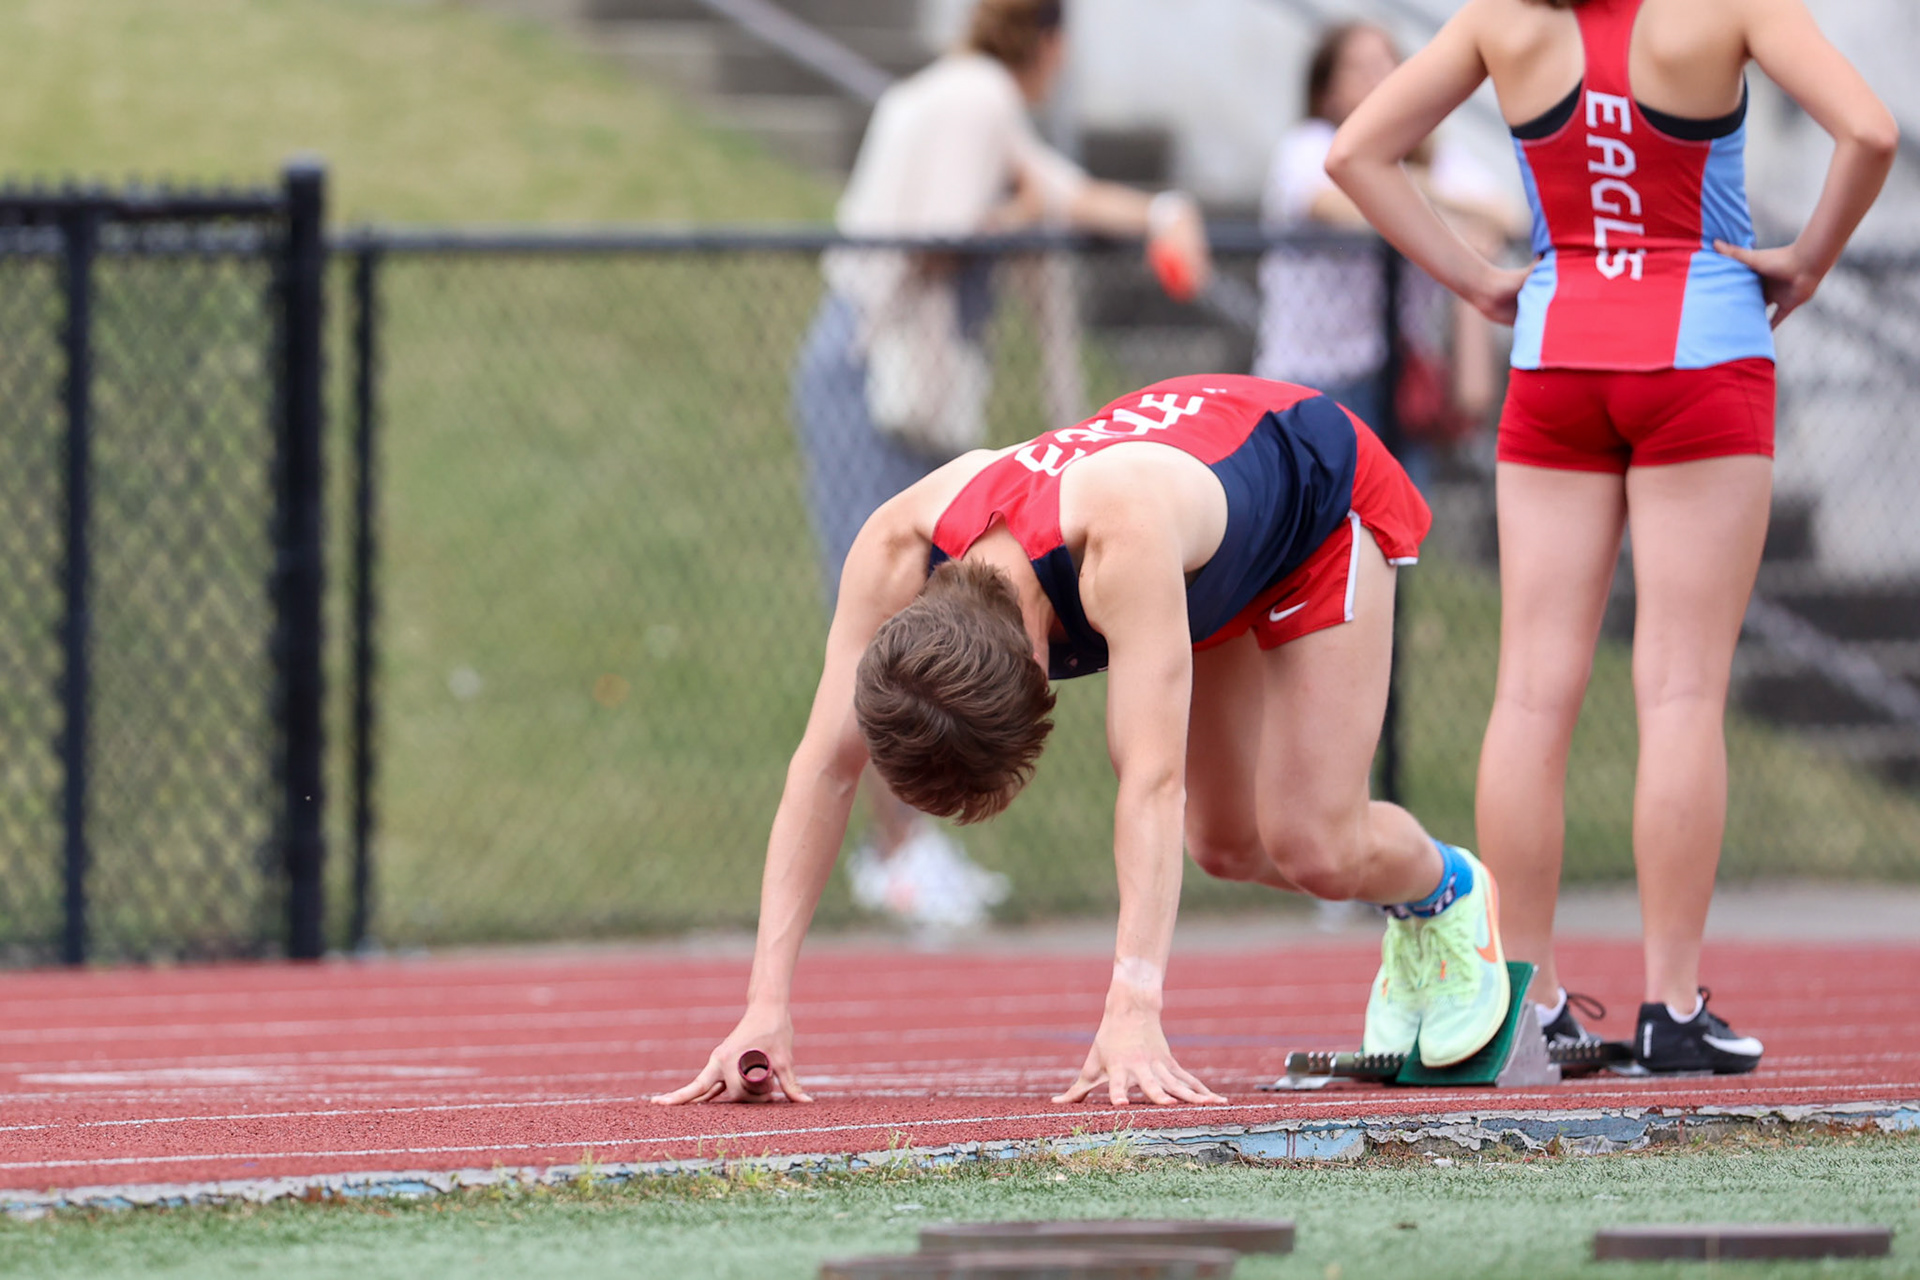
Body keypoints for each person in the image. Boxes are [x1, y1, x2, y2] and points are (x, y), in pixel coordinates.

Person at [657, 374, 1511, 1107]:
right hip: (1205, 530)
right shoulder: (894, 550)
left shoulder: (1119, 550)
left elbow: (1149, 781)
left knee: (1315, 844)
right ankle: (1417, 906)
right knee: (1224, 844)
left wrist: (1134, 1004)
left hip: (1312, 494)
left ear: (1041, 660)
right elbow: (824, 766)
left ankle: (1447, 895)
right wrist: (765, 1003)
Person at [1325, 0, 1897, 1072]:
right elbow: (1869, 131)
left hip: (1557, 347)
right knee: (1680, 688)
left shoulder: (1503, 17)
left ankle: (1523, 1005)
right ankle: (1671, 1005)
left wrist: (1473, 276)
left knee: (1532, 692)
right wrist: (1810, 260)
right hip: (1706, 344)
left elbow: (1357, 150)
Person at [793, 0, 1212, 930]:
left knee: (922, 620)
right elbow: (946, 231)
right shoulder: (976, 97)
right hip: (871, 373)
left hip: (895, 374)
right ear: (1048, 43)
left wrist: (1159, 213)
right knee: (883, 622)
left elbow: (1055, 189)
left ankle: (909, 849)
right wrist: (1028, 210)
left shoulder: (968, 96)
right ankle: (895, 855)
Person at [1257, 21, 1518, 489]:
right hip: (1310, 383)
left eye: (1387, 66)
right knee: (1315, 543)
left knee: (1394, 537)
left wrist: (1400, 179)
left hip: (1395, 383)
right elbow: (1340, 206)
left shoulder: (1433, 161)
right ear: (1327, 91)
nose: (1377, 80)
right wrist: (1385, 178)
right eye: (1359, 69)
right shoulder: (1308, 146)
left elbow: (1508, 214)